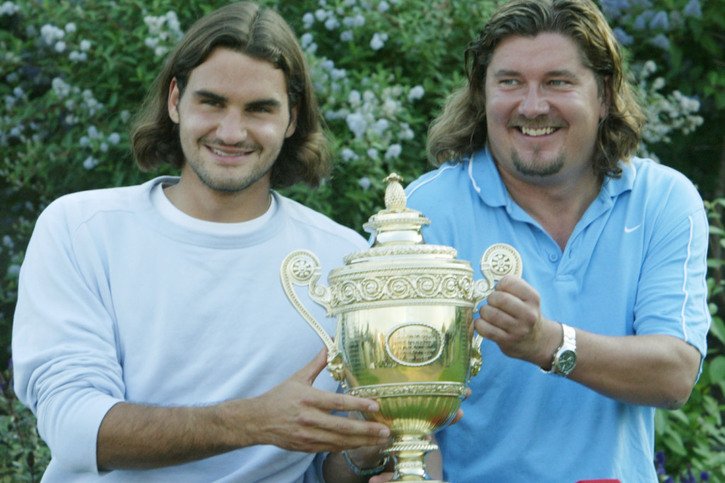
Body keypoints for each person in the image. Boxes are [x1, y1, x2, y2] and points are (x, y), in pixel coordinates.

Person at [11, 2, 392, 481]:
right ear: (175, 101)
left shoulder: (347, 261)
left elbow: (325, 468)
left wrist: (367, 444)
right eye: (211, 102)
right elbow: (72, 428)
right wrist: (253, 421)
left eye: (259, 109)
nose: (231, 132)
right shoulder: (82, 229)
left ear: (292, 118)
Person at [398, 0, 711, 481]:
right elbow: (404, 397)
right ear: (482, 95)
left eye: (558, 82)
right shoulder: (426, 213)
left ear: (604, 94)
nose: (532, 105)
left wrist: (547, 342)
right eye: (509, 82)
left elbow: (673, 374)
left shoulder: (662, 200)